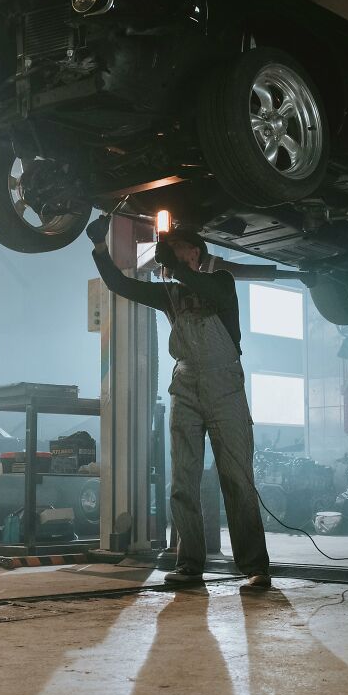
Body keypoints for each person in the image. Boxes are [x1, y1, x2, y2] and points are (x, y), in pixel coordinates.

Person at [87, 213, 271, 588]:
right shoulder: (168, 293)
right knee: (183, 479)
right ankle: (189, 564)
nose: (178, 255)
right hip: (185, 384)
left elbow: (210, 292)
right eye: (172, 251)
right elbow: (119, 284)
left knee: (236, 477)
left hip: (224, 386)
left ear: (197, 255)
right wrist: (99, 247)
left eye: (184, 250)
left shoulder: (222, 282)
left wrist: (174, 266)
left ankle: (255, 567)